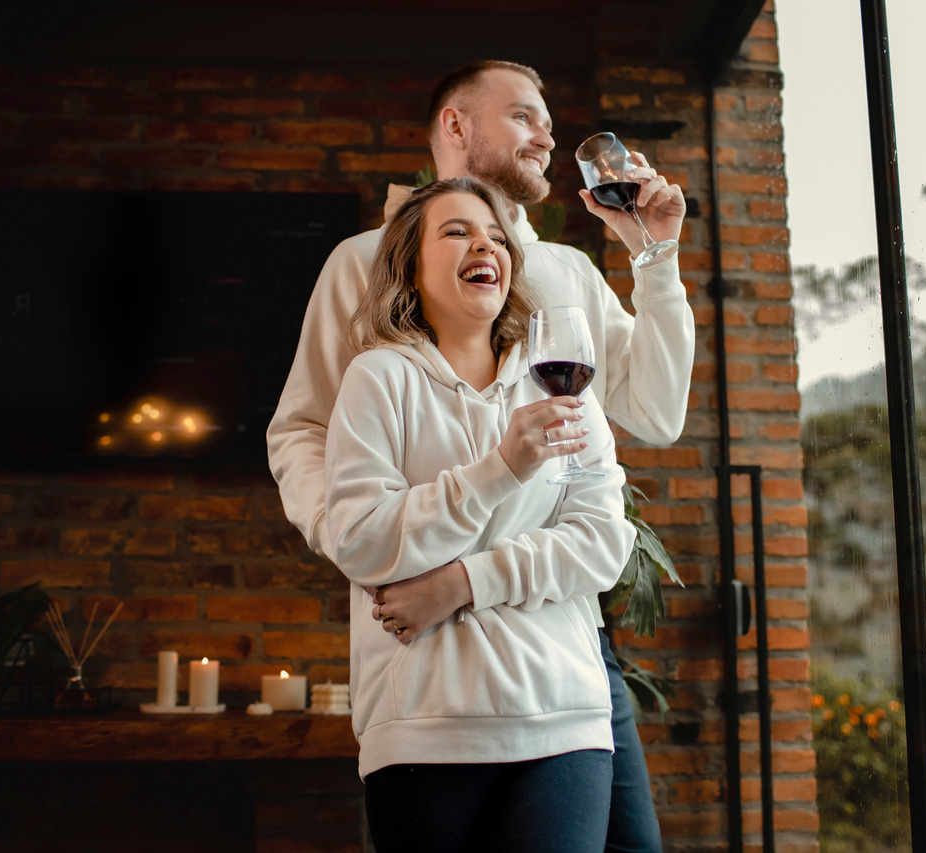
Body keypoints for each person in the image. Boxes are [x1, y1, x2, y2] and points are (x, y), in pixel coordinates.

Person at [267, 60, 690, 852]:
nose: (549, 136)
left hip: (560, 635)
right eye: (526, 117)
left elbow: (656, 412)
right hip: (431, 662)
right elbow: (301, 431)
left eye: (550, 123)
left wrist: (654, 260)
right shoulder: (361, 267)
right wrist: (371, 546)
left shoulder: (567, 272)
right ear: (457, 128)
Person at [323, 176, 636, 852]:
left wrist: (462, 582)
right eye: (457, 230)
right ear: (410, 262)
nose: (485, 244)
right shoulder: (378, 379)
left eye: (497, 235)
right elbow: (359, 539)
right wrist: (502, 469)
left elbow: (604, 543)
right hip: (425, 727)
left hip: (564, 721)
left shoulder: (565, 387)